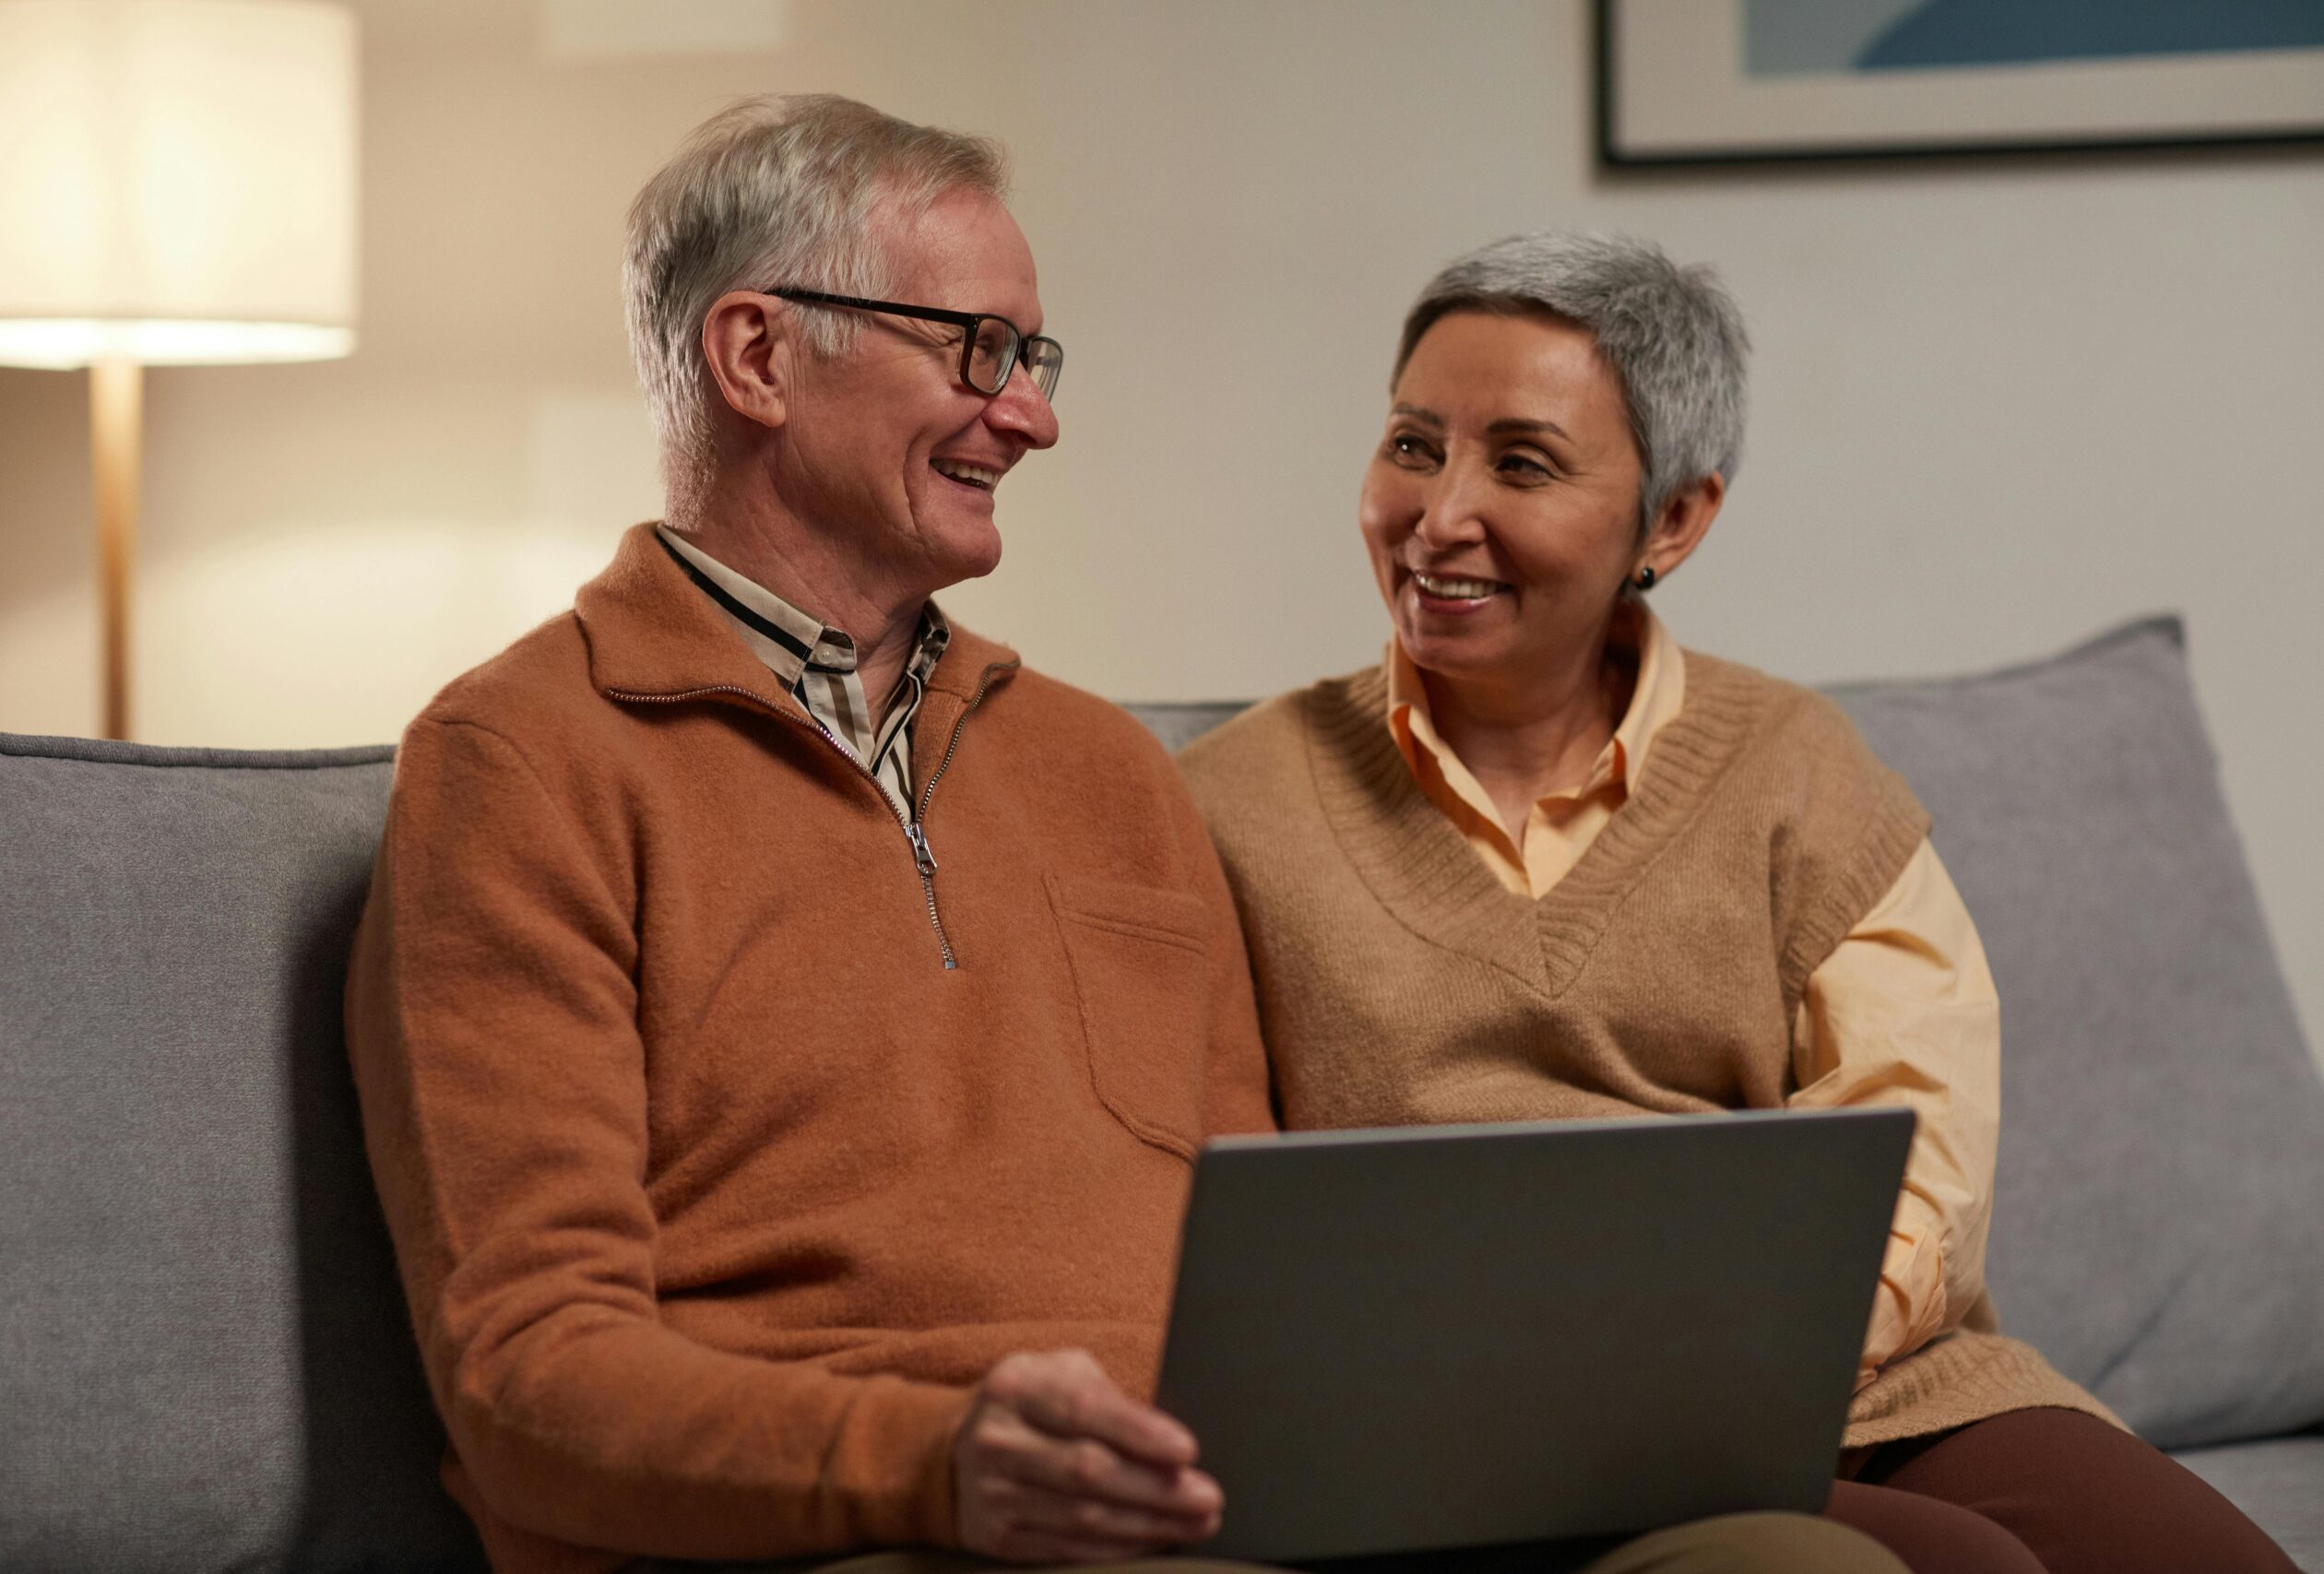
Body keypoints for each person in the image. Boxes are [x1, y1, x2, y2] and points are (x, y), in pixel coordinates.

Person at [344, 98, 1903, 1574]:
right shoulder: (522, 763)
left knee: (1796, 1559)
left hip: (1231, 1495)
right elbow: (528, 1374)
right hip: (851, 1527)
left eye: (1035, 356)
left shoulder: (1105, 769)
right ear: (756, 354)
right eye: (979, 351)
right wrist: (938, 1458)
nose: (1033, 416)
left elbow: (1265, 1261)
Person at [1175, 231, 2302, 1574]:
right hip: (1478, 1429)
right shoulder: (1223, 805)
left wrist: (1781, 1357)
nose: (1438, 513)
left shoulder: (1798, 766)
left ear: (1674, 520)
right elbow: (1195, 1199)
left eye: (1520, 462)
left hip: (1868, 1380)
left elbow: (1919, 1137)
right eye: (1414, 443)